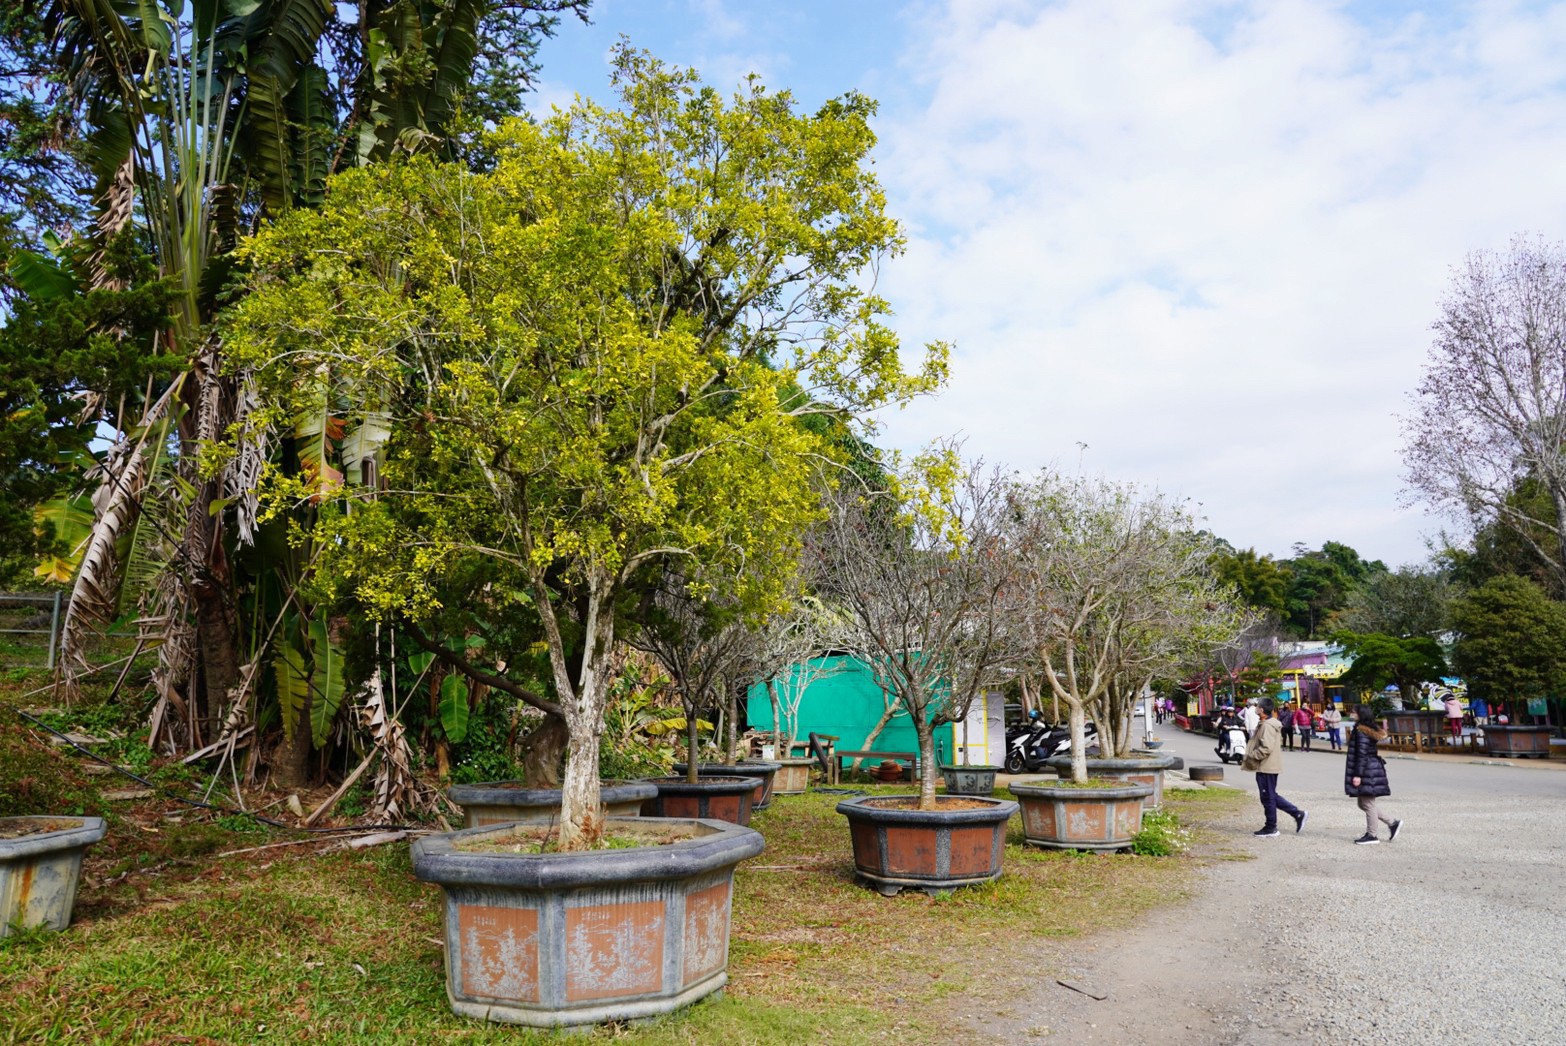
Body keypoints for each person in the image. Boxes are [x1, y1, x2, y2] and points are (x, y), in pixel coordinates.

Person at [1241, 697, 1307, 838]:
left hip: (1267, 766)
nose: (1255, 708)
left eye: (1257, 706)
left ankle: (1272, 827)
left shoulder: (1267, 726)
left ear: (1262, 710)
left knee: (1268, 797)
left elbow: (1266, 748)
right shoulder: (1267, 723)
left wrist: (1251, 755)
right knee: (1269, 796)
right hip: (1267, 766)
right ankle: (1297, 814)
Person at [1345, 705, 1402, 845]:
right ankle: (1392, 823)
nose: (1351, 714)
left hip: (1367, 770)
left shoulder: (1361, 731)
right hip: (1370, 768)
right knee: (1363, 802)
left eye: (1353, 712)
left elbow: (1362, 753)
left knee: (1368, 803)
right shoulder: (1365, 729)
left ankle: (1372, 835)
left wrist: (1358, 774)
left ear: (1360, 714)